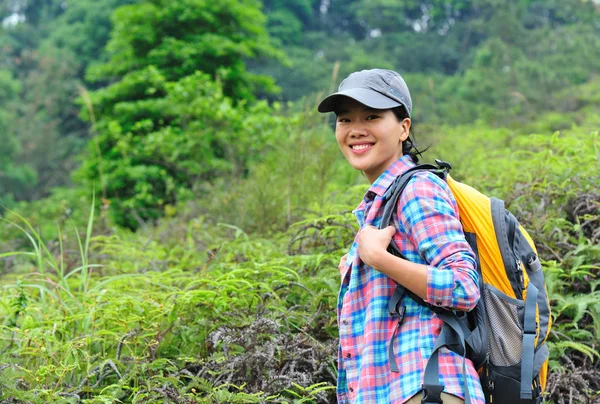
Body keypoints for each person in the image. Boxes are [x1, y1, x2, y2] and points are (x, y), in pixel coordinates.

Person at [317, 69, 484, 404]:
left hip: (429, 387)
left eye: (372, 117)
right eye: (345, 119)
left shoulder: (418, 189)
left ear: (403, 127)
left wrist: (379, 259)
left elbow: (464, 286)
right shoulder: (382, 203)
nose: (356, 130)